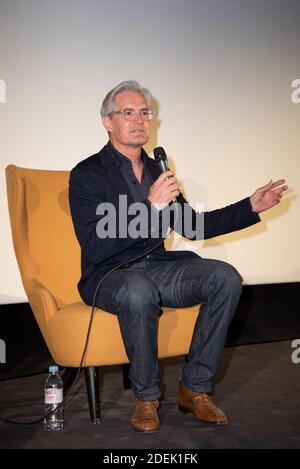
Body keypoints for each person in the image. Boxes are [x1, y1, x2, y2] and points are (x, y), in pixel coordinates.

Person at [69, 80, 288, 432]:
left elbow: (194, 227)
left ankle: (195, 389)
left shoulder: (157, 170)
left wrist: (250, 206)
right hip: (108, 275)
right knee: (138, 289)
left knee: (225, 277)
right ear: (107, 122)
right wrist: (148, 206)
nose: (139, 120)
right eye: (128, 113)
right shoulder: (87, 174)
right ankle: (146, 397)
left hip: (157, 268)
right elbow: (95, 245)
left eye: (145, 113)